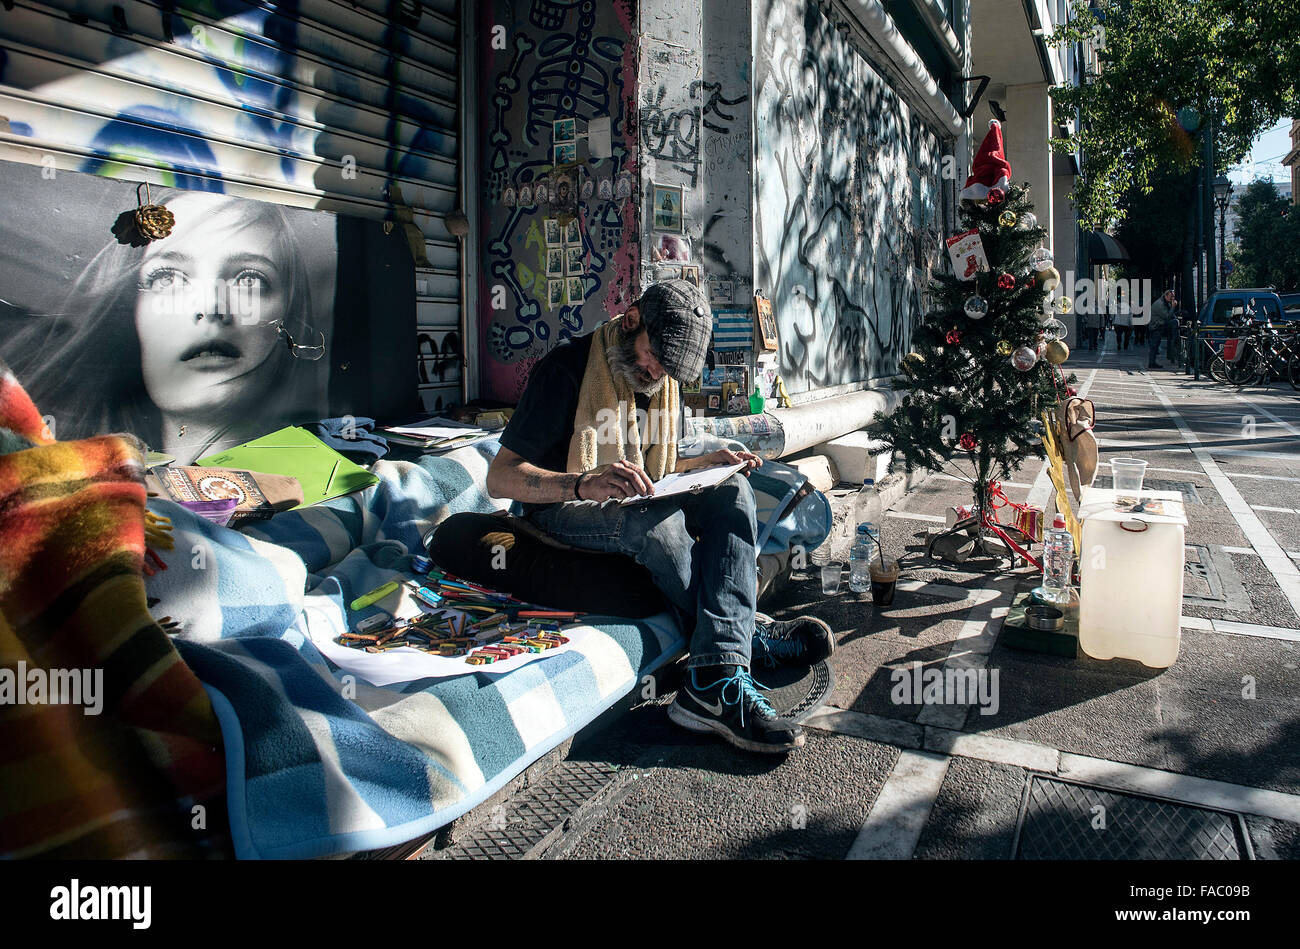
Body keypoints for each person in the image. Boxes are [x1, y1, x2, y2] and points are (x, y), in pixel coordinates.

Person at [486, 280, 832, 754]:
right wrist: (581, 483)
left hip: (628, 495)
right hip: (560, 507)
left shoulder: (662, 380)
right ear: (632, 320)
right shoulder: (565, 370)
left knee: (733, 491)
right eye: (655, 356)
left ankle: (713, 674)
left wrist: (703, 465)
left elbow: (657, 469)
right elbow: (500, 479)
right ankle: (739, 648)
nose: (657, 372)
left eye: (670, 368)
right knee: (659, 523)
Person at [10, 190, 325, 464]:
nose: (212, 308)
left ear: (290, 314)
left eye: (249, 280)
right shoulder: (66, 486)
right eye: (168, 278)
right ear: (131, 314)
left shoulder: (339, 488)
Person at [1148, 289, 1178, 368]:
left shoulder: (1165, 302)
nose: (1172, 299)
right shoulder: (1160, 304)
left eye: (1173, 297)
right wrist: (1173, 307)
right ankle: (1151, 363)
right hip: (1156, 327)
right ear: (1166, 295)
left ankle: (1152, 362)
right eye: (1171, 297)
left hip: (1158, 326)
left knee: (1155, 345)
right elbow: (1167, 316)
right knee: (1154, 345)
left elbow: (1171, 315)